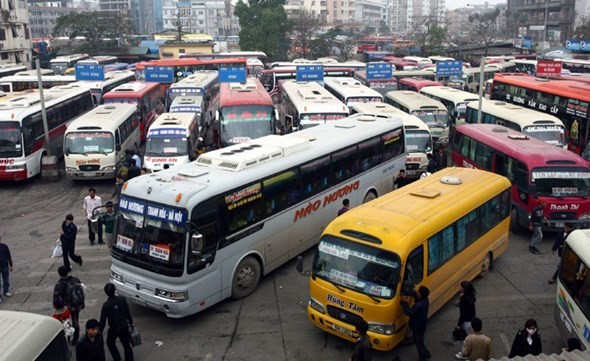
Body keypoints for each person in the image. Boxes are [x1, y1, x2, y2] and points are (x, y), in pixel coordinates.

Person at [99, 283, 134, 361]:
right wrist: (131, 322)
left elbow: (102, 321)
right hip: (124, 326)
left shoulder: (106, 305)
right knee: (126, 344)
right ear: (115, 290)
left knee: (110, 343)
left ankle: (117, 358)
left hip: (114, 328)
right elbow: (127, 312)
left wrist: (99, 331)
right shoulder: (122, 299)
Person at [53, 266, 84, 346]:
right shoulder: (75, 280)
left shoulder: (60, 284)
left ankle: (68, 339)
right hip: (77, 305)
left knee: (67, 324)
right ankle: (75, 339)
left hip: (67, 307)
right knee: (75, 322)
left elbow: (56, 299)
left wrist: (62, 304)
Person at [401, 285, 431, 361]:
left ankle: (423, 357)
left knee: (418, 343)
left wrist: (405, 303)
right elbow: (417, 298)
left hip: (417, 326)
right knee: (419, 342)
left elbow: (409, 312)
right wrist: (412, 292)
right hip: (421, 325)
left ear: (420, 294)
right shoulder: (425, 300)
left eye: (418, 292)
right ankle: (426, 353)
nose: (417, 293)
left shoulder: (418, 305)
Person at [455, 280, 477, 358]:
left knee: (463, 339)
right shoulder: (471, 296)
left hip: (466, 321)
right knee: (468, 337)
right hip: (471, 320)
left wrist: (458, 324)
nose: (460, 288)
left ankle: (464, 354)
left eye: (462, 287)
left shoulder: (464, 300)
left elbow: (463, 314)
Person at [0, 235, 13, 302]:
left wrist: (11, 265)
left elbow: (8, 256)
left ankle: (6, 291)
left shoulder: (4, 246)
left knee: (6, 280)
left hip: (4, 265)